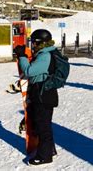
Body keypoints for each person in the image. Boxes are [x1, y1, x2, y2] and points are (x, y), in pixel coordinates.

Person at [14, 29, 58, 166]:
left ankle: (44, 156)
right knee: (43, 123)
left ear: (39, 42)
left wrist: (22, 56)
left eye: (33, 42)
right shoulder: (45, 53)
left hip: (43, 94)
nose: (32, 45)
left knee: (42, 125)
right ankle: (49, 150)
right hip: (43, 93)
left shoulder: (45, 56)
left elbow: (29, 71)